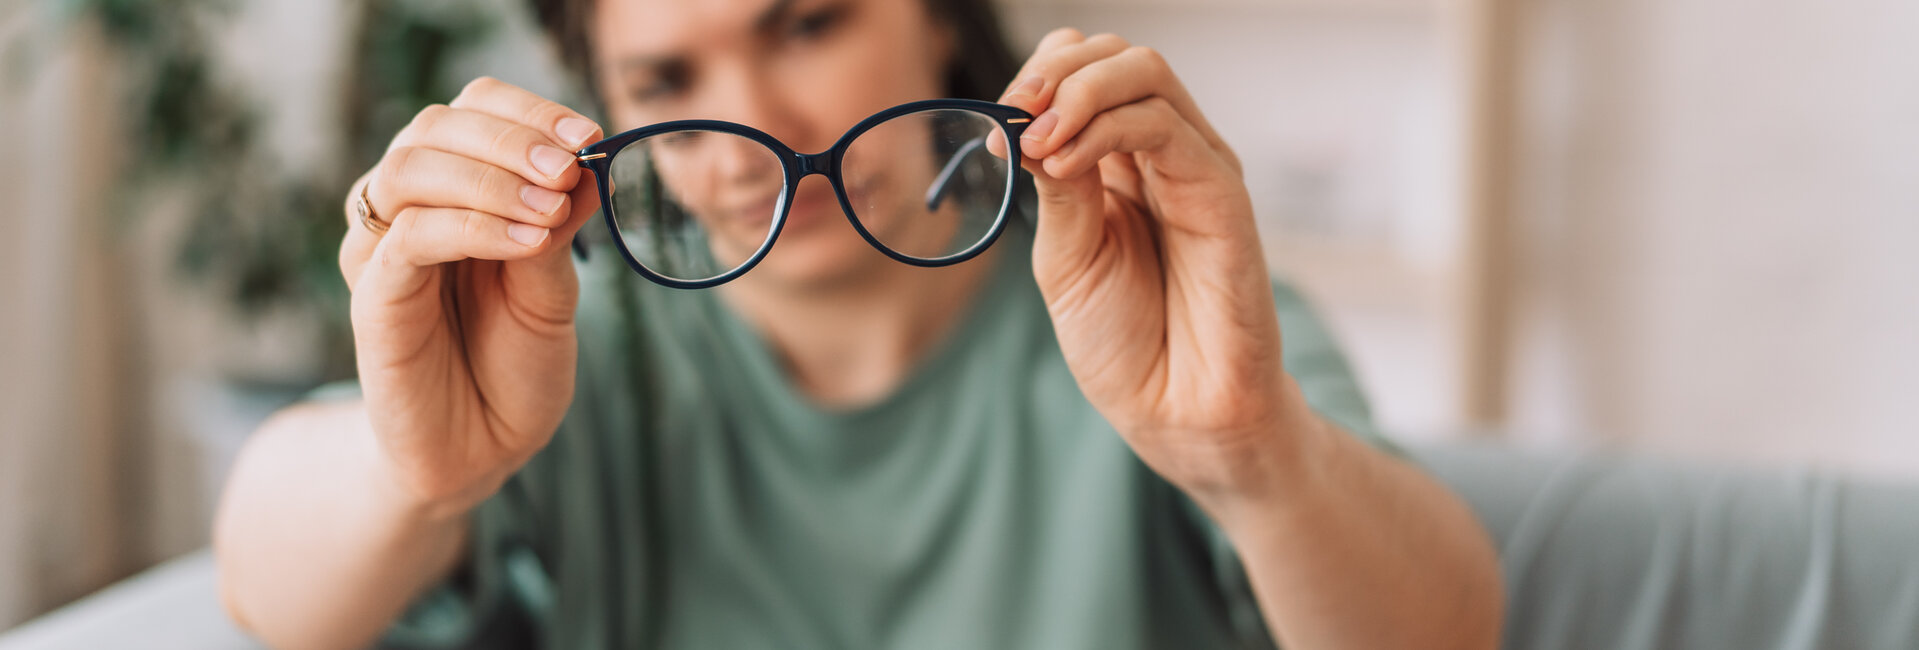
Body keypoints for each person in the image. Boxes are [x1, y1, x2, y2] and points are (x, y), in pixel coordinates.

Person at [213, 0, 1503, 647]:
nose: (756, 126)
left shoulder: (1173, 321)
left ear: (936, 17)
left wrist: (1250, 455)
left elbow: (1454, 626)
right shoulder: (569, 354)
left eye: (810, 22)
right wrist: (415, 476)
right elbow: (267, 585)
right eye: (667, 78)